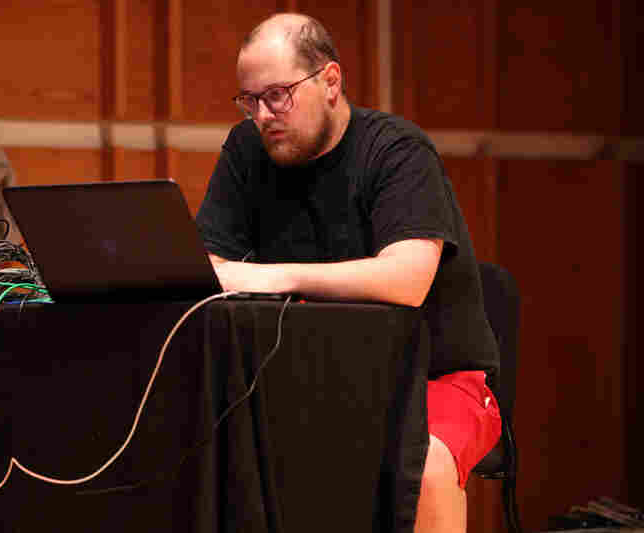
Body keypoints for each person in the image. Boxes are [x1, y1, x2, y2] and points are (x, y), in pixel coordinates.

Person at [195, 12, 502, 533]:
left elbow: (406, 279)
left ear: (331, 81)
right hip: (308, 378)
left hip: (435, 379)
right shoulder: (246, 151)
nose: (263, 115)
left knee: (422, 469)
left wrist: (276, 276)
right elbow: (209, 267)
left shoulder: (397, 151)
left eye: (278, 95)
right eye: (250, 101)